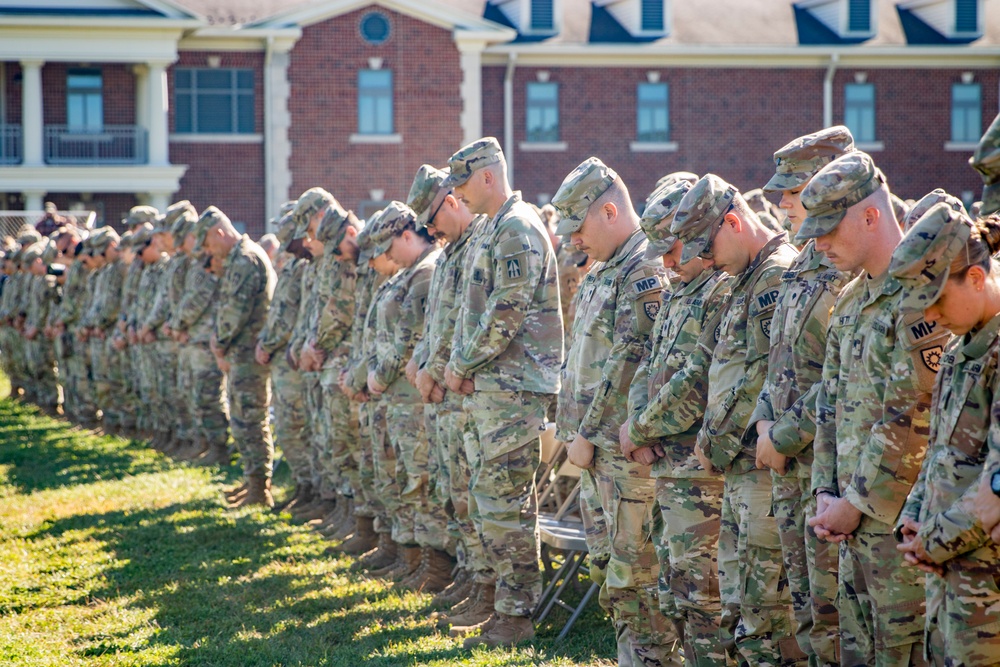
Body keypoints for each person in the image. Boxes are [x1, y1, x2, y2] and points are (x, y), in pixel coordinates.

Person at [801, 151, 949, 666]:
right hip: (850, 521)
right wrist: (825, 490)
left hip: (899, 529)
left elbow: (914, 419)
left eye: (828, 229)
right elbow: (830, 404)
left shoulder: (920, 296)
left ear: (870, 215)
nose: (818, 244)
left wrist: (855, 503)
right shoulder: (851, 299)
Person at [670, 174, 803, 666]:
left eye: (708, 248)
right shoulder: (745, 278)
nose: (705, 262)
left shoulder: (775, 276)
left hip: (761, 467)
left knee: (766, 612)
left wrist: (715, 438)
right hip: (738, 467)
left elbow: (762, 379)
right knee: (741, 607)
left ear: (733, 222)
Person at [551, 157, 678, 666]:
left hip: (622, 452)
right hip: (596, 451)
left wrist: (586, 431)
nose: (573, 241)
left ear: (608, 211)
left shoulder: (644, 267)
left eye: (578, 228)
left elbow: (632, 362)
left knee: (637, 576)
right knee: (610, 570)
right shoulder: (608, 266)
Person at [442, 137, 563, 647]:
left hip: (512, 392)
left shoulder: (516, 228)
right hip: (492, 388)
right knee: (488, 502)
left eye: (463, 183)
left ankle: (516, 616)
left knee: (507, 507)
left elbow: (506, 312)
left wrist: (462, 363)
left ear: (488, 176)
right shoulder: (492, 227)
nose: (458, 195)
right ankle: (499, 605)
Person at [749, 126, 856, 667]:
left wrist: (785, 434)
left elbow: (841, 377)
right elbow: (779, 360)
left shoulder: (849, 271)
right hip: (790, 464)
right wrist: (767, 427)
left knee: (837, 613)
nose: (783, 202)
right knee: (806, 607)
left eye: (794, 190)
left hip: (831, 467)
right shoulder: (802, 263)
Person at [622, 174, 733, 666]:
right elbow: (648, 360)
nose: (665, 263)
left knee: (706, 601)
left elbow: (699, 378)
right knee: (678, 594)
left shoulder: (719, 288)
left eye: (673, 248)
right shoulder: (679, 288)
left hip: (701, 473)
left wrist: (642, 428)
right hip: (669, 468)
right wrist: (635, 426)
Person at [889, 204, 1000, 666]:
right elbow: (939, 450)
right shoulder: (959, 350)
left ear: (976, 279)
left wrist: (931, 541)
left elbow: (996, 484)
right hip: (950, 588)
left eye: (937, 300)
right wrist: (915, 518)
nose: (931, 316)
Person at [405, 164, 487, 606]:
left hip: (462, 389)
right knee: (453, 492)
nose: (431, 231)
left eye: (434, 220)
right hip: (443, 389)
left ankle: (484, 585)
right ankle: (470, 577)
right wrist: (422, 365)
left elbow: (465, 322)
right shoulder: (452, 251)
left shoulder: (479, 245)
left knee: (471, 494)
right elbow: (434, 324)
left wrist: (432, 371)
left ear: (452, 202)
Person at [195, 206, 276, 507]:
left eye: (206, 243)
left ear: (218, 232)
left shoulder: (245, 259)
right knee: (243, 419)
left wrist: (219, 341)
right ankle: (252, 481)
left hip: (248, 353)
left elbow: (235, 311)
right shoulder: (239, 258)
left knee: (250, 419)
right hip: (242, 352)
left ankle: (260, 488)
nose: (207, 251)